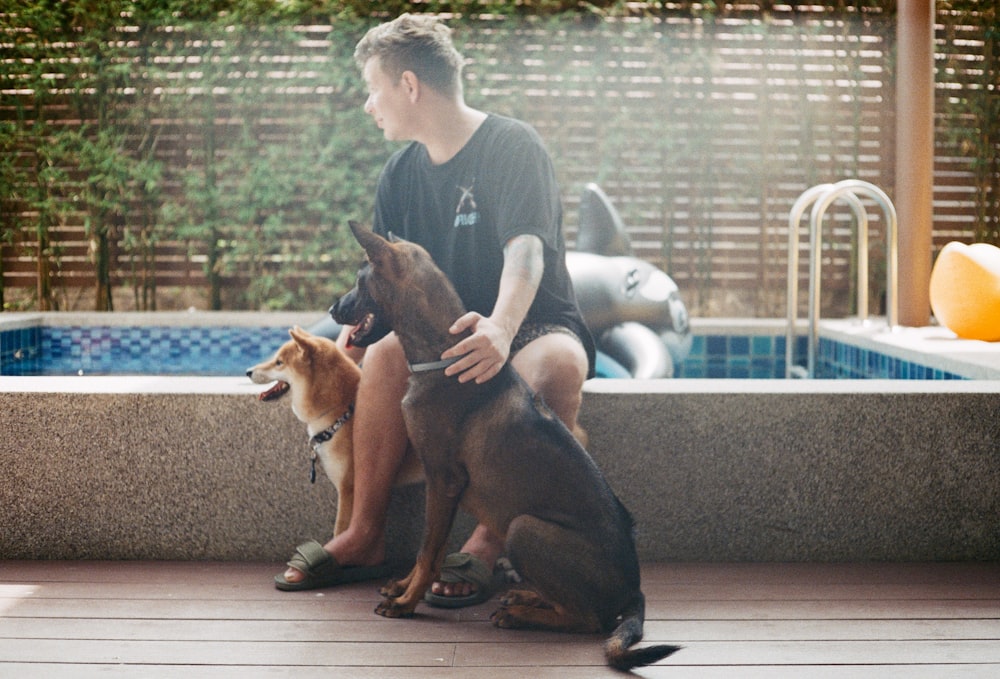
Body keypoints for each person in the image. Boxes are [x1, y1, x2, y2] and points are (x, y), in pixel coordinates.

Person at [276, 13, 595, 607]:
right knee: (388, 352)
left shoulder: (512, 145)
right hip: (442, 333)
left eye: (373, 89)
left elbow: (525, 251)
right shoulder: (399, 174)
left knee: (557, 364)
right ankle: (365, 533)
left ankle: (486, 540)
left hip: (530, 322)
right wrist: (357, 336)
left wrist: (500, 328)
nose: (370, 105)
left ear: (409, 85)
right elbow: (388, 285)